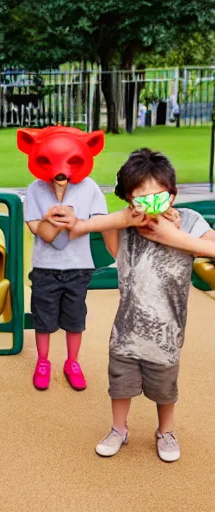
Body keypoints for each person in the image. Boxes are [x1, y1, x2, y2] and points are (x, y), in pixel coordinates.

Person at [64, 148, 215, 462]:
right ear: (130, 201)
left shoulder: (187, 221)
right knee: (120, 384)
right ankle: (119, 429)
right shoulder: (127, 228)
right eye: (141, 199)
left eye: (160, 195)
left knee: (165, 387)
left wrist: (172, 236)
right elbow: (100, 225)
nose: (152, 205)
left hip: (167, 331)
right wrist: (124, 219)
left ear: (173, 194)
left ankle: (166, 431)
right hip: (127, 331)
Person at [20, 126, 116, 392]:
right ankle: (43, 362)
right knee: (43, 318)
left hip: (78, 267)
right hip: (45, 267)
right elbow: (34, 226)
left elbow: (98, 221)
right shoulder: (36, 188)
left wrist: (76, 222)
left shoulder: (90, 188)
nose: (60, 174)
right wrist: (49, 222)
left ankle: (72, 362)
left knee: (75, 318)